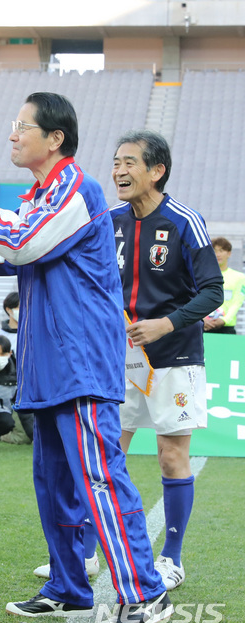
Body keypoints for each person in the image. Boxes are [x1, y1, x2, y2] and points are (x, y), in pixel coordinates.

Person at [0, 92, 171, 623]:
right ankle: (68, 587)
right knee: (54, 484)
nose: (12, 135)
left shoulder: (77, 190)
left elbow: (19, 243)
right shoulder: (38, 194)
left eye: (22, 126)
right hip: (47, 365)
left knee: (99, 479)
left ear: (54, 138)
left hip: (81, 360)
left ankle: (146, 593)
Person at [111, 130, 224, 590]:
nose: (119, 170)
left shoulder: (183, 221)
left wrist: (167, 323)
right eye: (116, 161)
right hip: (118, 357)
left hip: (175, 357)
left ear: (157, 170)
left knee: (171, 454)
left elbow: (213, 291)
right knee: (106, 453)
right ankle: (89, 551)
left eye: (130, 162)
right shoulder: (109, 221)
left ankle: (171, 558)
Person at [0, 291, 34, 444]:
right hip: (9, 392)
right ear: (9, 310)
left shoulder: (33, 331)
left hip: (32, 389)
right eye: (19, 307)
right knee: (23, 437)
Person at [204, 236, 245, 334]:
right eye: (214, 250)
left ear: (229, 253)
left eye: (221, 250)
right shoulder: (201, 276)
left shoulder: (240, 277)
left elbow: (237, 302)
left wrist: (224, 320)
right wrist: (202, 320)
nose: (218, 254)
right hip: (203, 326)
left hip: (227, 328)